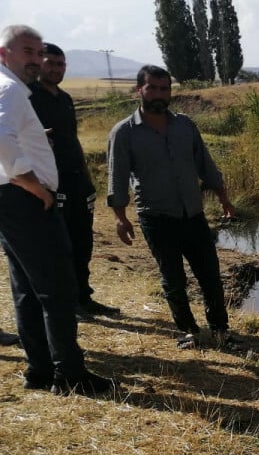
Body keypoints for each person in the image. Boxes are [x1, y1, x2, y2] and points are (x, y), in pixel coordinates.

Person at [0, 25, 115, 394]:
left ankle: (40, 370)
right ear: (5, 54)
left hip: (11, 198)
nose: (35, 59)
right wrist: (31, 182)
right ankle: (70, 374)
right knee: (58, 289)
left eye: (38, 52)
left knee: (27, 289)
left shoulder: (9, 88)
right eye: (27, 52)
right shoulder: (11, 90)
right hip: (24, 198)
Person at [107, 64, 239, 350]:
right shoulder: (125, 133)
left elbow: (207, 166)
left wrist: (225, 200)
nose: (158, 94)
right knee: (174, 279)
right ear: (139, 90)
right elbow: (116, 178)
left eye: (164, 88)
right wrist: (120, 217)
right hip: (156, 218)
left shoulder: (184, 125)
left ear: (170, 92)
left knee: (210, 275)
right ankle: (190, 331)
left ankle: (220, 330)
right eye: (152, 87)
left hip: (193, 214)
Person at [29, 42, 120, 318]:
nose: (56, 69)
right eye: (50, 63)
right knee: (61, 246)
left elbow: (72, 140)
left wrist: (87, 177)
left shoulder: (65, 99)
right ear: (39, 64)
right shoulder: (29, 98)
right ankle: (66, 304)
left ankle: (83, 297)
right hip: (50, 184)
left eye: (60, 64)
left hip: (77, 181)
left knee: (83, 242)